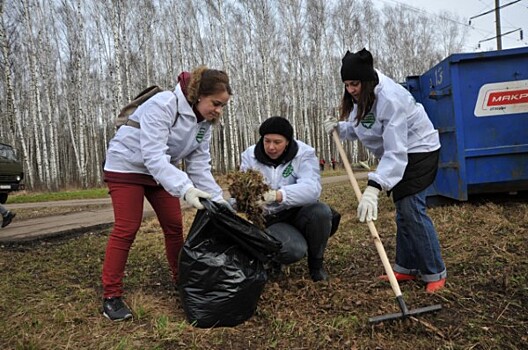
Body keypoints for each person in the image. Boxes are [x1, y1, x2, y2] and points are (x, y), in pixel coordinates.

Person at [101, 66, 233, 321]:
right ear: (198, 95)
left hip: (158, 169)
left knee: (173, 226)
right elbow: (153, 155)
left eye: (223, 106)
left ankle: (181, 280)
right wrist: (185, 189)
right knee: (127, 227)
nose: (218, 110)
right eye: (215, 103)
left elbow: (199, 165)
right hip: (126, 166)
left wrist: (218, 199)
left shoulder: (204, 124)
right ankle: (111, 296)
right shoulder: (163, 105)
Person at [324, 48, 446, 293]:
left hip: (420, 150)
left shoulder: (390, 98)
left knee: (412, 208)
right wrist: (341, 128)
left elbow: (395, 151)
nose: (350, 90)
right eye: (346, 84)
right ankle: (407, 267)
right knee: (403, 210)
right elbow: (366, 127)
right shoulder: (364, 97)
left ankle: (435, 271)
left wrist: (374, 185)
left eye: (354, 83)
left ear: (367, 80)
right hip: (400, 154)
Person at [239, 116, 334, 282]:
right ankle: (274, 258)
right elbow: (243, 191)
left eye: (277, 142)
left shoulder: (303, 154)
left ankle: (316, 265)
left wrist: (277, 195)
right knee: (294, 250)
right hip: (270, 218)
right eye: (267, 141)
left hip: (299, 212)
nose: (271, 147)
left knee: (321, 212)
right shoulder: (250, 156)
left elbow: (312, 190)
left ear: (288, 142)